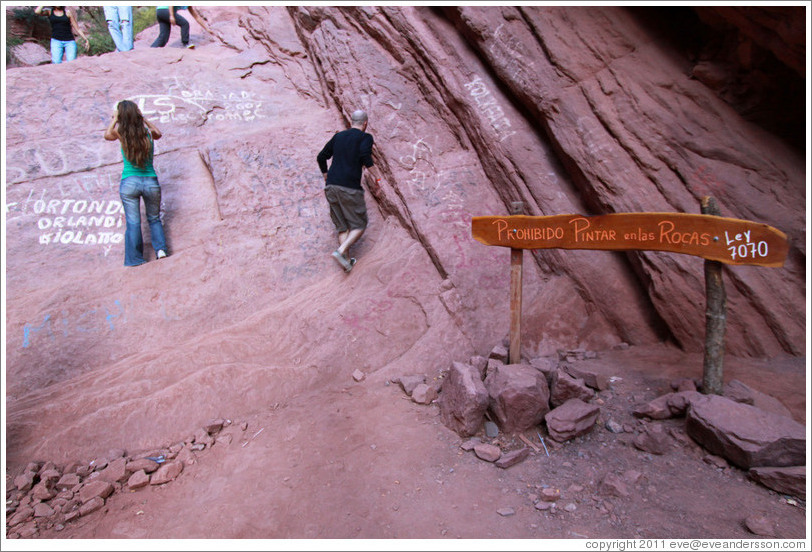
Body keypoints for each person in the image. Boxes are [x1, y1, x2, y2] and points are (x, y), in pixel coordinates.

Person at [104, 100, 169, 267]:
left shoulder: (121, 134)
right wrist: (144, 119)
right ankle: (161, 250)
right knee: (154, 219)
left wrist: (115, 119)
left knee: (133, 222)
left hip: (129, 182)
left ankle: (135, 259)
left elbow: (107, 135)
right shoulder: (147, 134)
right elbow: (158, 133)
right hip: (150, 181)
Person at [317, 110, 378, 273]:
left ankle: (346, 262)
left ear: (352, 121)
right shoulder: (365, 137)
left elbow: (321, 157)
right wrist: (377, 178)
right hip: (349, 187)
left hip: (331, 186)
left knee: (342, 227)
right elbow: (366, 156)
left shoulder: (338, 137)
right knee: (360, 225)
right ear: (365, 123)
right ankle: (340, 251)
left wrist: (325, 175)